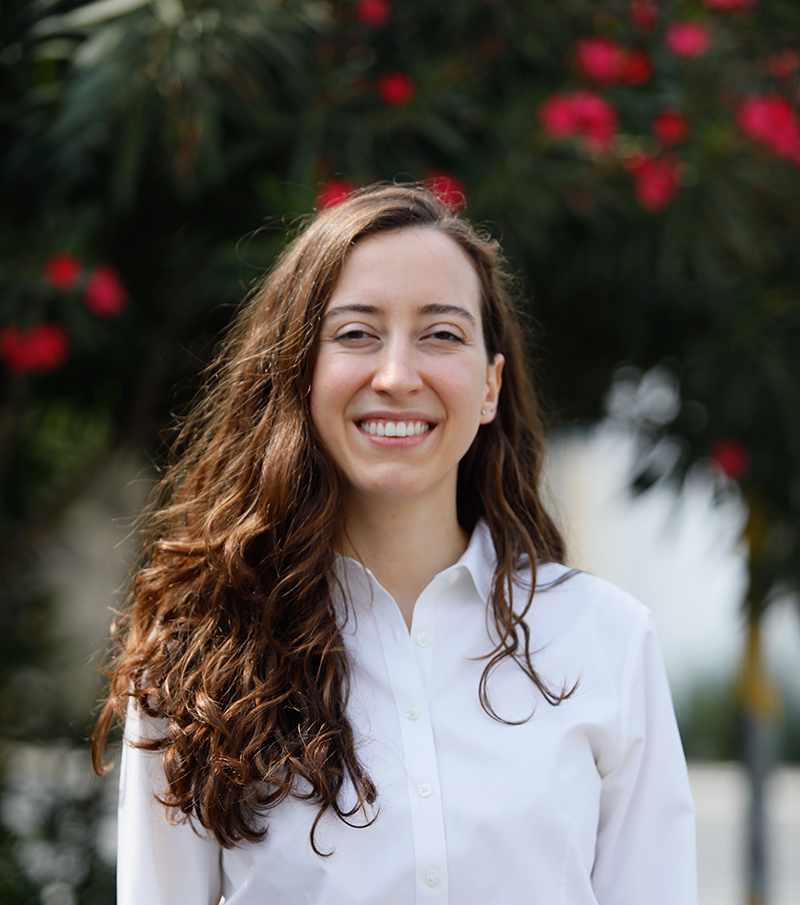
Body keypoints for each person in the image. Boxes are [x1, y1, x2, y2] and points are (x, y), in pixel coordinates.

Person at [93, 183, 697, 904]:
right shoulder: (196, 654)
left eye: (441, 334)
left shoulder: (608, 639)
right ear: (300, 373)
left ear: (490, 386)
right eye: (356, 333)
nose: (397, 376)